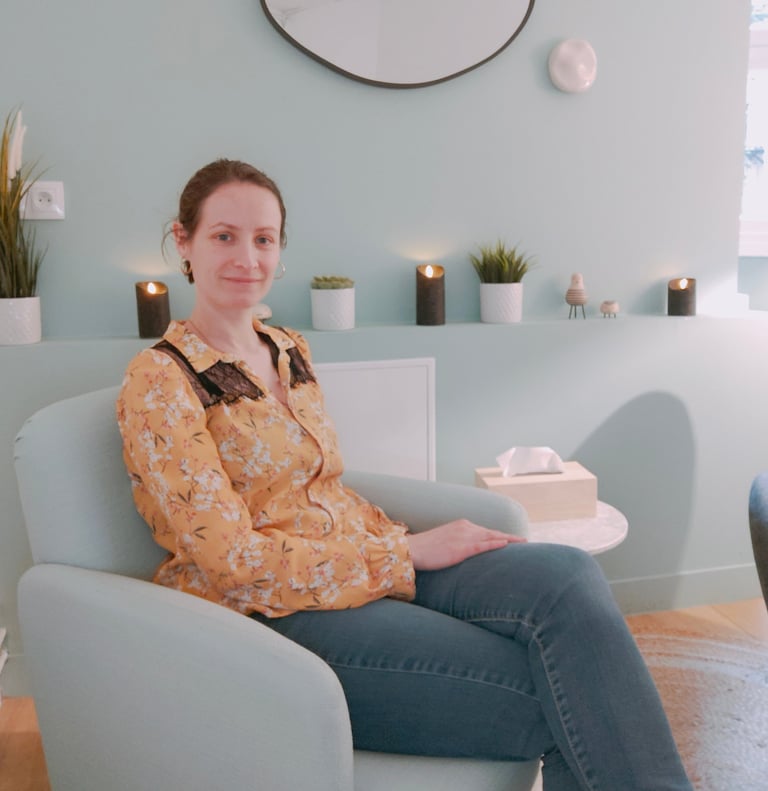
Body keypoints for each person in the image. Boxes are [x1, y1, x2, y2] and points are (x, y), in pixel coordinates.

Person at [116, 159, 693, 790]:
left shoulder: (287, 347)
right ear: (184, 242)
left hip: (361, 557)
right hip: (269, 615)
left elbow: (321, 486)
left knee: (566, 574)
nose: (247, 257)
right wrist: (407, 551)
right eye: (224, 236)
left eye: (264, 239)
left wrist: (394, 547)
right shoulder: (160, 379)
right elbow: (233, 560)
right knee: (566, 696)